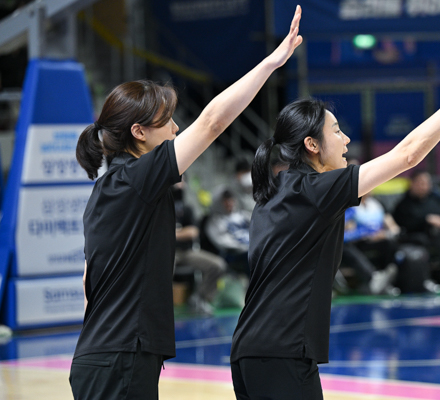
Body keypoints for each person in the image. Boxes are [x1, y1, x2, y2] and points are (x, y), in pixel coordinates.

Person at [230, 43, 440, 399]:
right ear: (312, 145)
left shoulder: (277, 192)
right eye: (336, 132)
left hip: (249, 350)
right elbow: (408, 154)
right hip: (282, 352)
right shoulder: (315, 189)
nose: (346, 139)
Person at [69, 6, 304, 399]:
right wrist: (270, 63)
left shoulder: (111, 188)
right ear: (138, 132)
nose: (177, 128)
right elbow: (212, 123)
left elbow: (87, 279)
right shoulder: (135, 178)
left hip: (108, 356)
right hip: (119, 359)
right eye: (167, 121)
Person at [172, 182, 227, 315]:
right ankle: (158, 304)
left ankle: (201, 298)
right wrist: (181, 233)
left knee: (217, 265)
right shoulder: (159, 207)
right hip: (167, 252)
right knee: (162, 269)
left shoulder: (187, 209)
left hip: (187, 252)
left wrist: (172, 233)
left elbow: (193, 232)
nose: (180, 185)